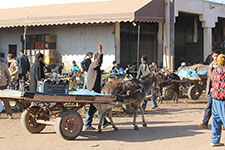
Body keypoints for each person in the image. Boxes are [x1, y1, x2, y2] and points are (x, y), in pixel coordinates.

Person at [84, 43, 109, 130]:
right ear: (96, 59)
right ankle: (98, 122)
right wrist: (100, 51)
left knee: (95, 107)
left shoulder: (94, 67)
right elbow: (99, 62)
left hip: (93, 89)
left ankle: (101, 122)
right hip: (93, 90)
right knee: (97, 106)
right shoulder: (94, 64)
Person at [200, 51, 219, 129]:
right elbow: (209, 79)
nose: (216, 58)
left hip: (219, 90)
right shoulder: (210, 66)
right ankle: (205, 123)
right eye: (214, 56)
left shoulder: (221, 67)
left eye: (217, 56)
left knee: (220, 108)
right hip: (211, 90)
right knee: (209, 107)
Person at [210, 54, 225, 147]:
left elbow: (212, 79)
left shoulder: (215, 70)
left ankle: (214, 140)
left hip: (215, 98)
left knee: (216, 120)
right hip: (223, 99)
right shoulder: (224, 71)